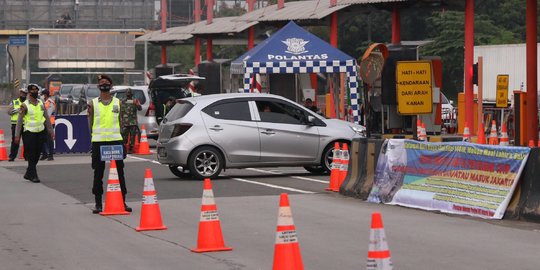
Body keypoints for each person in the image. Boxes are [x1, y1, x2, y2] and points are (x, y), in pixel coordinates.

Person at [87, 74, 131, 214]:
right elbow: (90, 123)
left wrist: (124, 141)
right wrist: (92, 138)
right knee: (98, 173)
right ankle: (98, 203)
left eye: (106, 82)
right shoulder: (92, 103)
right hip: (99, 142)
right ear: (98, 86)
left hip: (115, 141)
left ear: (110, 86)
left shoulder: (118, 102)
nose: (104, 84)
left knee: (119, 173)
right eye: (101, 82)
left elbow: (122, 123)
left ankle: (122, 201)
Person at [13, 84, 54, 183]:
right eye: (33, 92)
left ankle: (28, 172)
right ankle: (34, 175)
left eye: (36, 91)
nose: (35, 93)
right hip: (29, 132)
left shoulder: (41, 103)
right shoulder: (24, 105)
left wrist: (51, 131)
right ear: (29, 93)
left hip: (40, 131)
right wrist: (17, 135)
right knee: (31, 154)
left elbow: (46, 118)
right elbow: (19, 121)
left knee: (37, 154)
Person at [6, 88, 27, 161]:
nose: (23, 95)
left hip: (25, 124)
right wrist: (17, 110)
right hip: (15, 124)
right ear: (19, 94)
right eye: (22, 93)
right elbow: (9, 112)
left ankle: (26, 156)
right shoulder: (14, 102)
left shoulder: (28, 103)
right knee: (15, 140)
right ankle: (12, 156)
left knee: (26, 141)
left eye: (24, 94)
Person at [120, 88, 142, 154]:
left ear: (131, 94)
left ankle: (131, 148)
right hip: (125, 122)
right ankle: (124, 148)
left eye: (129, 94)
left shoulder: (135, 101)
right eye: (127, 94)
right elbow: (120, 111)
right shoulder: (122, 102)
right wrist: (121, 121)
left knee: (132, 136)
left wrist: (137, 104)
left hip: (133, 122)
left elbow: (140, 108)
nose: (128, 95)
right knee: (124, 136)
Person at [40, 89, 56, 161]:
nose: (41, 96)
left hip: (49, 123)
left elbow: (48, 114)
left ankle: (51, 155)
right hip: (43, 123)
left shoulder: (50, 102)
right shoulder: (44, 102)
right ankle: (45, 154)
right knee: (42, 139)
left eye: (42, 94)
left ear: (45, 95)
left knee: (49, 139)